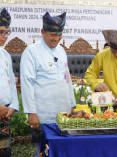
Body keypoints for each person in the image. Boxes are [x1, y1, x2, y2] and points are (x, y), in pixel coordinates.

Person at [20, 12, 76, 157]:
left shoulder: (61, 51)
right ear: (42, 32)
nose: (56, 38)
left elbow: (67, 79)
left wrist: (72, 105)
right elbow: (27, 84)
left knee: (64, 151)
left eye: (60, 34)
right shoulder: (31, 52)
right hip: (43, 116)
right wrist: (31, 113)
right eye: (52, 35)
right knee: (43, 152)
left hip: (63, 116)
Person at [0, 8, 19, 157]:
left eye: (7, 32)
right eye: (1, 31)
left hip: (5, 114)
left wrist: (13, 106)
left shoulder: (5, 55)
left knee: (4, 150)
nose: (4, 36)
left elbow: (12, 82)